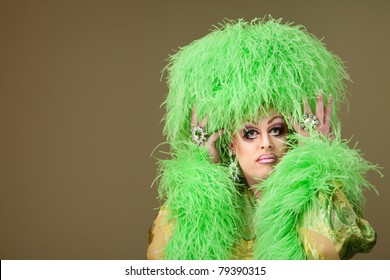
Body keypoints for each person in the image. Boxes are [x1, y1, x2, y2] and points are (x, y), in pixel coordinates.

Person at [147, 18, 379, 260]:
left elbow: (329, 251)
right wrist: (201, 177)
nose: (266, 143)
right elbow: (163, 259)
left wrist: (315, 162)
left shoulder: (310, 201)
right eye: (250, 133)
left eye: (277, 130)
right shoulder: (214, 209)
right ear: (231, 144)